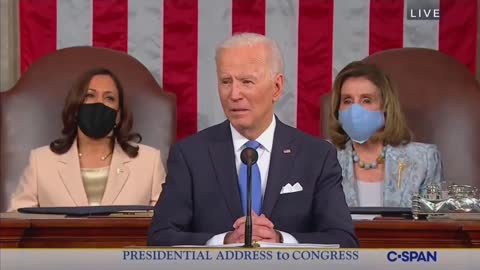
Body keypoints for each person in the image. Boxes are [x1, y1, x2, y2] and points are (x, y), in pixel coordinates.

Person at [148, 33, 358, 247]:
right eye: (226, 81)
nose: (234, 94)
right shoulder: (190, 155)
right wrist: (224, 241)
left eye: (246, 82)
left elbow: (343, 240)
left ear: (276, 88)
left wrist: (280, 240)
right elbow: (160, 237)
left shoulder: (316, 156)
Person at [8, 68, 165, 211]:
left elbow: (163, 226)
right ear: (75, 107)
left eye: (109, 98)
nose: (99, 103)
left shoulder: (149, 161)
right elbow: (17, 222)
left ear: (118, 114)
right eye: (90, 95)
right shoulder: (40, 161)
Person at [328, 61, 444, 207]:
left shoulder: (424, 160)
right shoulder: (322, 158)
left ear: (385, 106)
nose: (355, 110)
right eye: (347, 100)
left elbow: (435, 224)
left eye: (366, 100)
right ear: (338, 108)